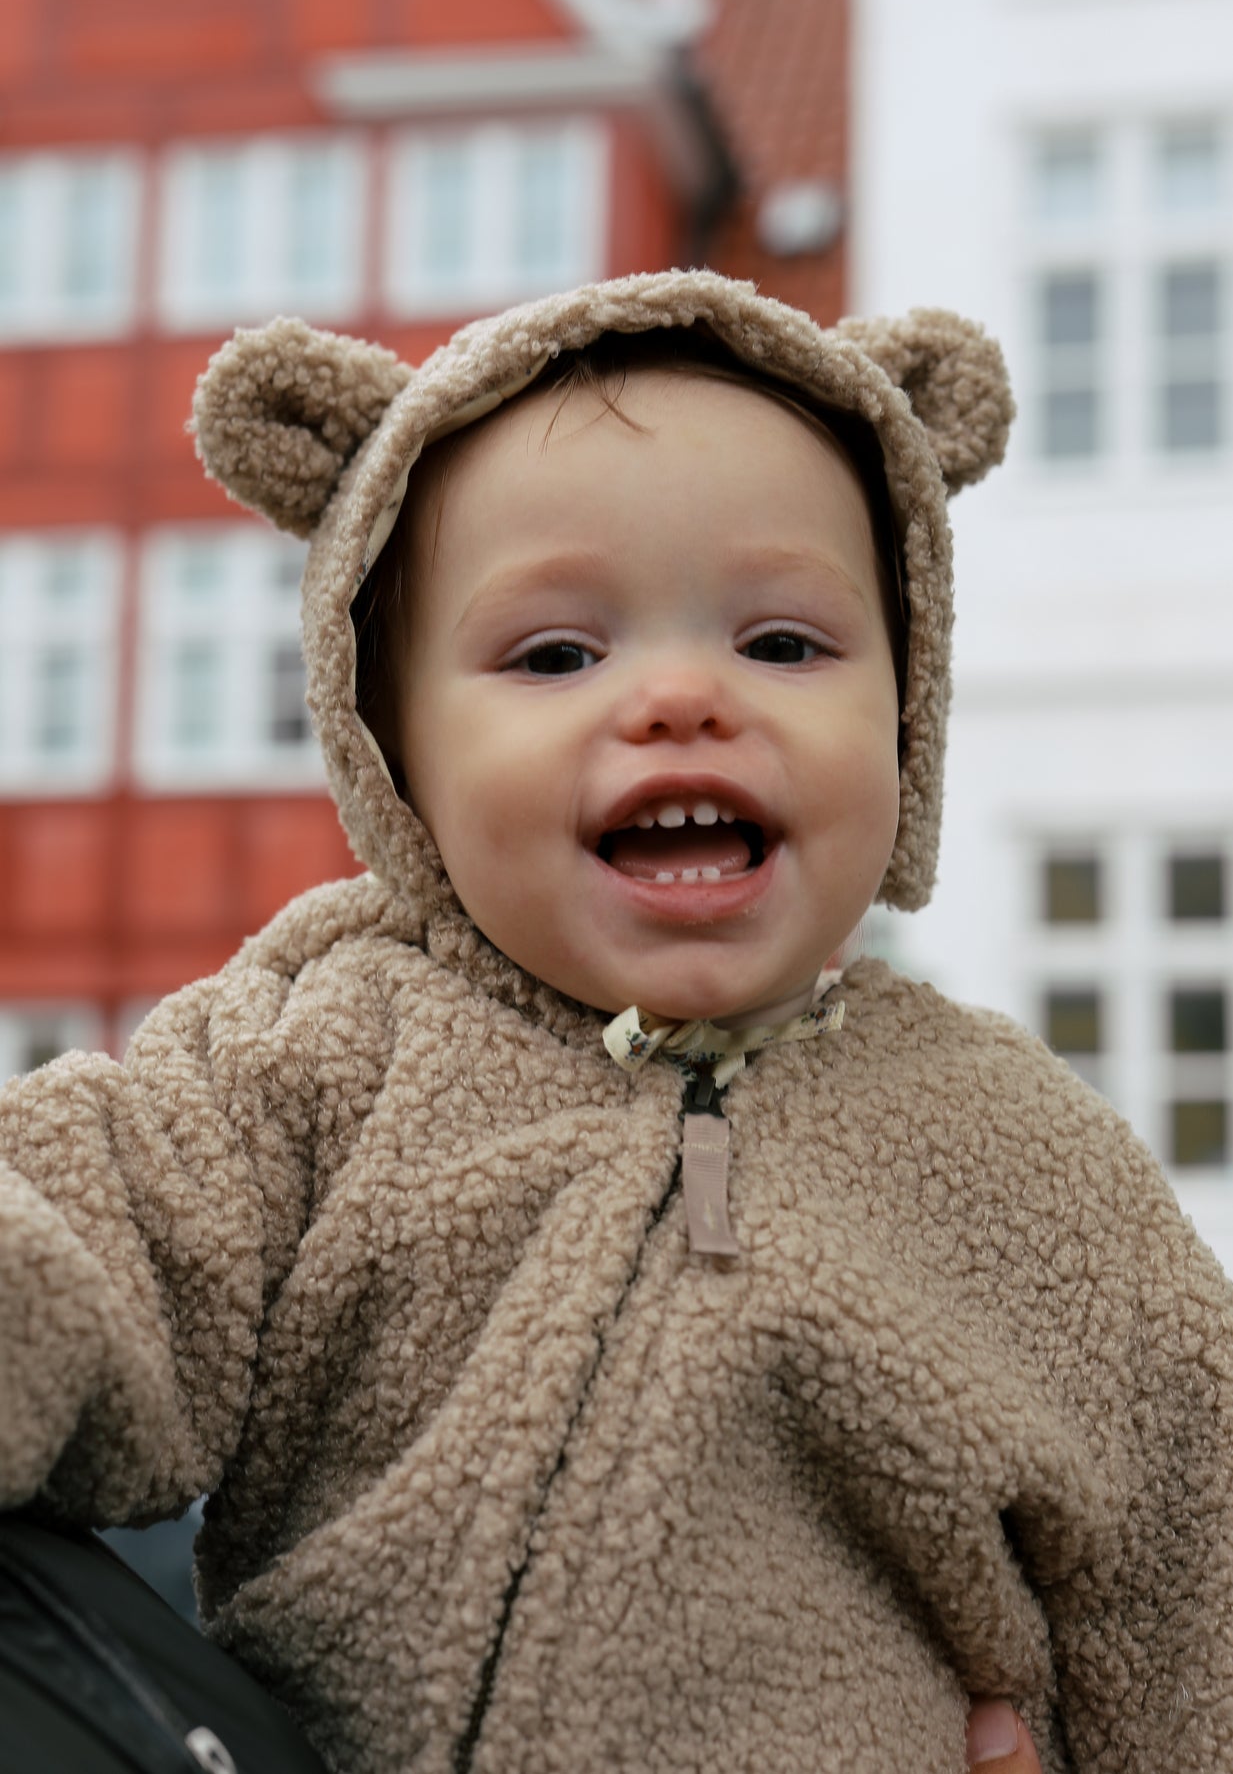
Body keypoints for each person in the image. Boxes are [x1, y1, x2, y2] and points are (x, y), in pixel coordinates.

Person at [2, 270, 1231, 1774]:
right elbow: (78, 1237)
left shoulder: (1032, 1173)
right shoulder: (306, 1057)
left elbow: (1195, 1596)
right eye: (555, 656)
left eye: (783, 644)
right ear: (396, 755)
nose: (680, 698)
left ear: (907, 719)